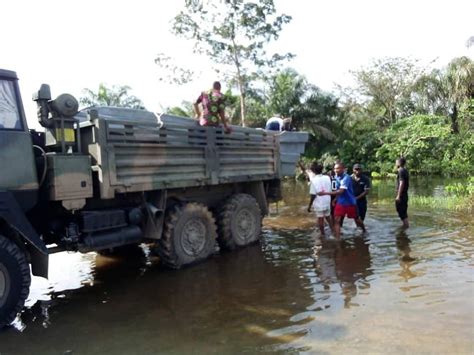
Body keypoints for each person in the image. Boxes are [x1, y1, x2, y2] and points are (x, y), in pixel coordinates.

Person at [318, 162, 366, 239]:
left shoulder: (346, 177)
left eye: (338, 168)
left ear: (343, 169)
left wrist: (325, 193)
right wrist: (335, 199)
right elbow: (338, 191)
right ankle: (337, 238)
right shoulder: (336, 177)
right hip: (340, 203)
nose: (336, 170)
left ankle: (364, 230)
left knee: (356, 219)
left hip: (350, 203)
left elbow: (341, 191)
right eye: (335, 168)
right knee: (337, 220)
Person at [307, 162, 333, 236]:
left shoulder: (314, 180)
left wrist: (309, 206)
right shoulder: (327, 177)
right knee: (328, 217)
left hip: (319, 203)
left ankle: (322, 234)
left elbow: (313, 195)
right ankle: (333, 231)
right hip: (327, 200)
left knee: (320, 219)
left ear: (314, 171)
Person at [395, 157, 410, 228]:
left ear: (399, 163)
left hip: (402, 195)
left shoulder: (401, 171)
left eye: (396, 162)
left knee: (401, 212)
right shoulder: (405, 170)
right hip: (404, 194)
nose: (395, 163)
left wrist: (398, 195)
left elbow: (402, 183)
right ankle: (405, 225)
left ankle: (406, 226)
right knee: (402, 212)